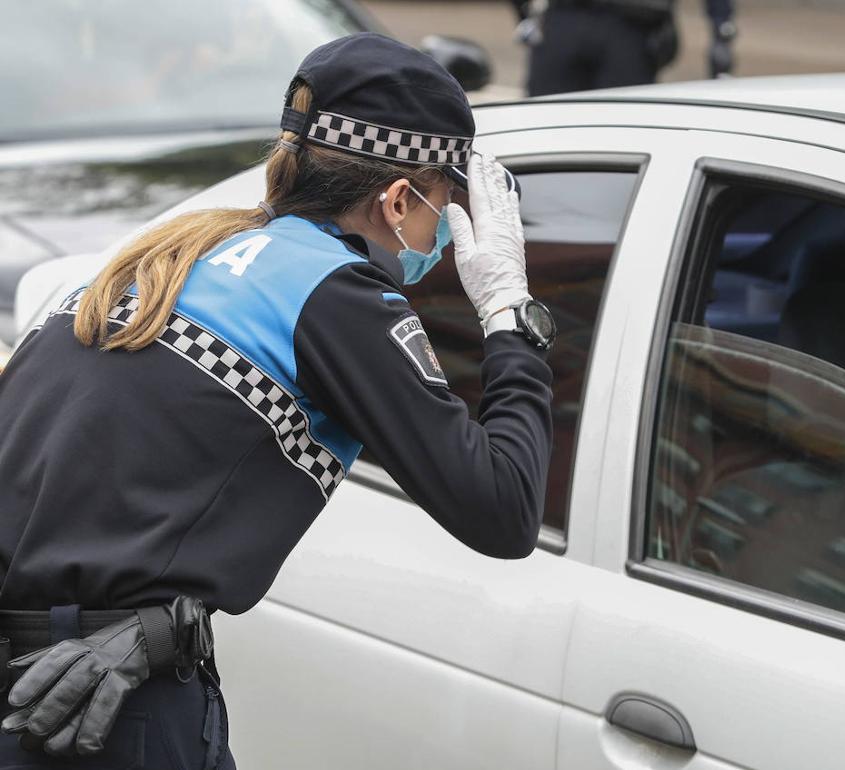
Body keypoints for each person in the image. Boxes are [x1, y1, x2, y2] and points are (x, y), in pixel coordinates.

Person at [0, 32, 556, 766]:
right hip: (103, 709)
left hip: (46, 679)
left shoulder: (168, 253)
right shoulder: (335, 294)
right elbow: (504, 507)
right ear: (397, 200)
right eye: (446, 208)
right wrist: (510, 317)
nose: (447, 240)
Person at [512, 0, 736, 97]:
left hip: (631, 28)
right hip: (567, 23)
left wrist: (721, 27)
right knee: (545, 130)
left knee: (622, 134)